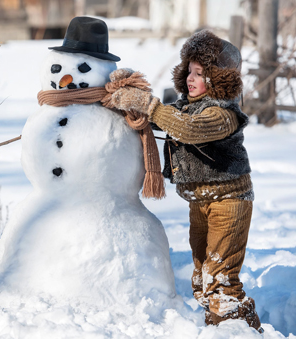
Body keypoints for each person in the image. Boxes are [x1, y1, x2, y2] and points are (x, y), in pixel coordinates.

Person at [108, 30, 262, 331]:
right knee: (203, 281)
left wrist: (149, 104)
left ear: (218, 78)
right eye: (189, 71)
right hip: (200, 203)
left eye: (200, 73)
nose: (191, 78)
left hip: (229, 204)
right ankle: (225, 329)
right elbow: (165, 117)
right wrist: (130, 95)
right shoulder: (186, 106)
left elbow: (188, 129)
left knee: (220, 282)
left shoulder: (222, 113)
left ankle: (239, 332)